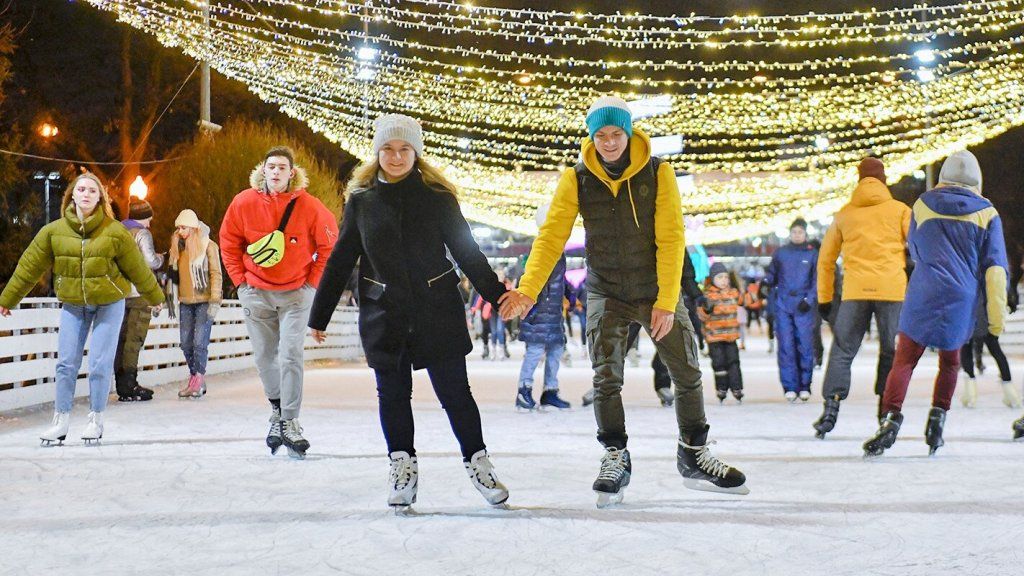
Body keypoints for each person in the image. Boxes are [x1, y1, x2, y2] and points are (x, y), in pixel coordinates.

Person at [500, 96, 748, 506]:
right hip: (606, 290)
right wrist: (528, 289)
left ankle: (694, 453)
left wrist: (667, 301)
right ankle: (615, 454)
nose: (610, 142)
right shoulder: (576, 178)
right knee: (606, 376)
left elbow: (672, 237)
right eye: (601, 135)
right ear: (592, 137)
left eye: (616, 134)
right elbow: (551, 237)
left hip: (654, 288)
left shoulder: (658, 171)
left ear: (629, 133)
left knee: (686, 369)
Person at [307, 114, 510, 510]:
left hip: (437, 310)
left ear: (416, 152)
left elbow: (467, 252)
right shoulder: (362, 202)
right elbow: (340, 260)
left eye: (404, 149)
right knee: (393, 394)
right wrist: (320, 315)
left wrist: (499, 296)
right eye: (388, 149)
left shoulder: (437, 197)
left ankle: (478, 462)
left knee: (456, 393)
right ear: (377, 152)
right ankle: (402, 467)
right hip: (385, 313)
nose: (396, 156)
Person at [0, 173, 164, 444]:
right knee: (66, 363)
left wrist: (155, 296)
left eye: (92, 190)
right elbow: (29, 266)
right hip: (73, 304)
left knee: (99, 364)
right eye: (81, 189)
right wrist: (9, 298)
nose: (86, 194)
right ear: (72, 195)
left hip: (109, 303)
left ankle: (95, 419)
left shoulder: (115, 232)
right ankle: (61, 420)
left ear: (100, 197)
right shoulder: (54, 232)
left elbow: (137, 267)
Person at [864, 150, 1008, 457]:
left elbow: (914, 248)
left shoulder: (923, 204)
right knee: (950, 362)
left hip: (923, 291)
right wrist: (996, 320)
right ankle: (936, 421)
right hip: (961, 296)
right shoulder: (988, 213)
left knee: (904, 360)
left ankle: (889, 419)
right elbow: (995, 270)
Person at [219, 145, 338, 459]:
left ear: (292, 173)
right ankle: (277, 413)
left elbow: (329, 245)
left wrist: (312, 283)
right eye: (271, 166)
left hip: (296, 294)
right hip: (256, 292)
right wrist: (240, 282)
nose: (276, 172)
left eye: (282, 167)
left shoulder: (310, 206)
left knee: (290, 355)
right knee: (264, 357)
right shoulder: (243, 202)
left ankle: (290, 420)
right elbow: (228, 242)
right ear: (263, 169)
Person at [813, 158, 911, 439]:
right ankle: (885, 410)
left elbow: (826, 260)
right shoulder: (900, 211)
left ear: (859, 179)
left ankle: (830, 408)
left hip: (855, 292)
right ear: (883, 179)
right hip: (892, 290)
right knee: (891, 351)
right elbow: (917, 246)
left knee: (843, 350)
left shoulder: (844, 214)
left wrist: (825, 298)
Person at [515, 204, 572, 411]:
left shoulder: (558, 248)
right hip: (538, 313)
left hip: (553, 312)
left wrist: (569, 296)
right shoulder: (539, 248)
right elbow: (530, 279)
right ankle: (524, 391)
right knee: (535, 350)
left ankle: (550, 392)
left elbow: (560, 281)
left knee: (556, 350)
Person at [112, 196, 165, 402]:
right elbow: (150, 261)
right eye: (148, 218)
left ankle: (121, 384)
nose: (150, 223)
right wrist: (161, 257)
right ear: (142, 217)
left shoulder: (118, 231)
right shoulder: (142, 233)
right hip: (139, 293)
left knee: (121, 338)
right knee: (134, 338)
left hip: (120, 293)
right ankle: (130, 384)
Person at [169, 209, 223, 399]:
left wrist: (215, 300)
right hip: (184, 302)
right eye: (178, 228)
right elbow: (172, 276)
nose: (179, 232)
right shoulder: (177, 248)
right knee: (185, 344)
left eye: (183, 227)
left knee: (200, 343)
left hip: (203, 301)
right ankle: (196, 377)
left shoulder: (208, 246)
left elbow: (216, 273)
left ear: (192, 227)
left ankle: (197, 379)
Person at [764, 218, 818, 402]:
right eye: (794, 232)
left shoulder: (812, 254)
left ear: (805, 234)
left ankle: (805, 385)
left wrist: (809, 299)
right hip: (783, 303)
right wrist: (766, 283)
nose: (797, 235)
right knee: (786, 345)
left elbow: (816, 279)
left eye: (800, 232)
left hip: (803, 304)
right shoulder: (781, 253)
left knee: (804, 344)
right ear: (790, 233)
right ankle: (790, 386)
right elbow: (772, 274)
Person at [958, 283, 1020, 409]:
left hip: (968, 309)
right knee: (995, 350)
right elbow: (998, 279)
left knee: (966, 349)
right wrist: (1008, 299)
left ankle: (970, 394)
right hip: (986, 311)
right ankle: (1011, 393)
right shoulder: (989, 264)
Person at [698, 263, 744, 403]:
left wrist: (752, 294)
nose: (724, 280)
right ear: (712, 279)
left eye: (725, 277)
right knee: (719, 364)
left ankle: (737, 387)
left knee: (733, 362)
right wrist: (706, 309)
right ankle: (721, 388)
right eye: (720, 277)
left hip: (730, 336)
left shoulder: (733, 293)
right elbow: (701, 316)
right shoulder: (707, 296)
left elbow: (745, 300)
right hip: (714, 337)